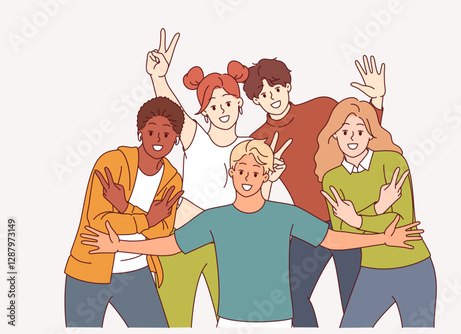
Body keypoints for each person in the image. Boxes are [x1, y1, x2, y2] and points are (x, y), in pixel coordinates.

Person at [81, 139, 424, 328]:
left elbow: (332, 239)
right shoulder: (215, 219)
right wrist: (121, 244)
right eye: (241, 169)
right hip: (230, 322)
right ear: (231, 173)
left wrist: (382, 238)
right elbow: (172, 245)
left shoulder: (286, 216)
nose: (247, 176)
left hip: (278, 322)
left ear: (266, 177)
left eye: (256, 171)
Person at [144, 29, 291, 327]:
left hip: (229, 248)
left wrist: (271, 178)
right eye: (213, 106)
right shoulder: (194, 136)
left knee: (234, 319)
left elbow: (263, 204)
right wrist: (159, 77)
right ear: (205, 113)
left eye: (227, 103)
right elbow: (174, 108)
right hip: (184, 238)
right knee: (174, 318)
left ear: (239, 105)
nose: (222, 110)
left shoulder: (252, 147)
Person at [243, 56, 385, 326]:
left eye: (276, 88)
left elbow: (364, 131)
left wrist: (376, 101)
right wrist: (269, 177)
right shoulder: (257, 140)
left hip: (347, 218)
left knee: (355, 299)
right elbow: (254, 196)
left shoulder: (322, 108)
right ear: (255, 101)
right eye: (263, 94)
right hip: (307, 226)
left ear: (287, 86)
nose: (272, 97)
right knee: (290, 294)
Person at [64, 97, 184, 327]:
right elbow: (99, 222)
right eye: (151, 132)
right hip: (89, 269)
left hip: (136, 272)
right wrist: (147, 219)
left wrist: (125, 207)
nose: (158, 139)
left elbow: (162, 232)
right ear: (140, 133)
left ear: (176, 138)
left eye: (166, 134)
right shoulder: (112, 163)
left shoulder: (172, 179)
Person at [315, 97, 436, 327]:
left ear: (371, 135)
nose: (352, 138)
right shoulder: (332, 178)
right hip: (371, 271)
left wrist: (357, 219)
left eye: (360, 131)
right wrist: (379, 208)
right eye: (345, 131)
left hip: (414, 266)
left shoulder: (392, 162)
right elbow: (343, 235)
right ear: (334, 136)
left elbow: (402, 222)